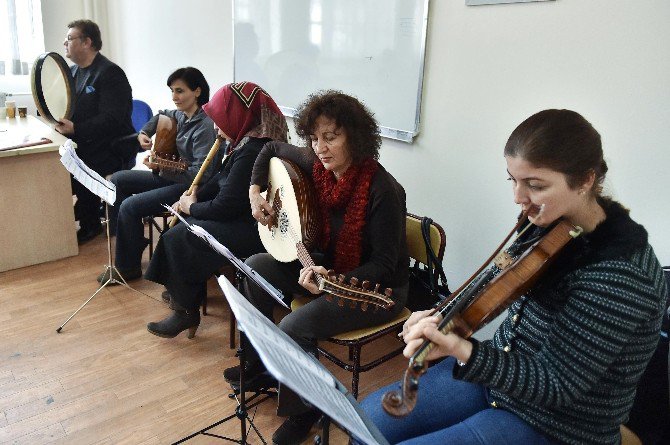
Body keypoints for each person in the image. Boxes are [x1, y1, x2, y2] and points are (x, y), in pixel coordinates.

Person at [357, 109, 668, 445]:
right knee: (367, 422)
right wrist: (442, 316)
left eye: (535, 185)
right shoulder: (551, 222)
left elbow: (556, 384)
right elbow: (494, 280)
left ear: (585, 180)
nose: (518, 198)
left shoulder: (621, 276)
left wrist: (464, 351)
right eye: (513, 180)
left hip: (559, 423)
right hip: (502, 378)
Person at [229, 91, 409, 445]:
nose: (320, 147)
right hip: (324, 271)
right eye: (314, 138)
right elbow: (268, 150)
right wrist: (255, 192)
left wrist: (334, 278)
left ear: (355, 138)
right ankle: (263, 368)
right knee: (254, 267)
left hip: (375, 289)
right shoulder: (316, 164)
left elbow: (386, 266)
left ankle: (305, 411)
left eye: (331, 137)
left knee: (295, 326)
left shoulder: (384, 190)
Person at [145, 81, 289, 338]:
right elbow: (221, 182)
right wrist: (195, 193)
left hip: (252, 229)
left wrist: (193, 208)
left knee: (182, 236)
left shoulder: (253, 150)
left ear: (237, 116)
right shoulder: (243, 142)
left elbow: (227, 206)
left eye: (220, 118)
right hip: (235, 217)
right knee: (182, 231)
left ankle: (185, 310)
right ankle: (183, 291)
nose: (215, 126)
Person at [98, 67, 220, 283]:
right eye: (172, 91)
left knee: (130, 206)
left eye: (180, 91)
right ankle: (134, 240)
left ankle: (127, 267)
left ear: (197, 91)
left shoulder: (205, 126)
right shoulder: (180, 115)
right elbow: (160, 116)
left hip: (188, 189)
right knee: (116, 180)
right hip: (170, 176)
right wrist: (144, 133)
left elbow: (200, 175)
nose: (174, 97)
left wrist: (161, 166)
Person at [55, 19, 135, 244]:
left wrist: (76, 129)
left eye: (70, 38)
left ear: (87, 42)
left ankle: (89, 223)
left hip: (111, 145)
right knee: (56, 165)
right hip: (84, 141)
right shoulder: (72, 72)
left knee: (78, 163)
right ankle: (78, 214)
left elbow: (113, 119)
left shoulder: (110, 73)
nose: (65, 42)